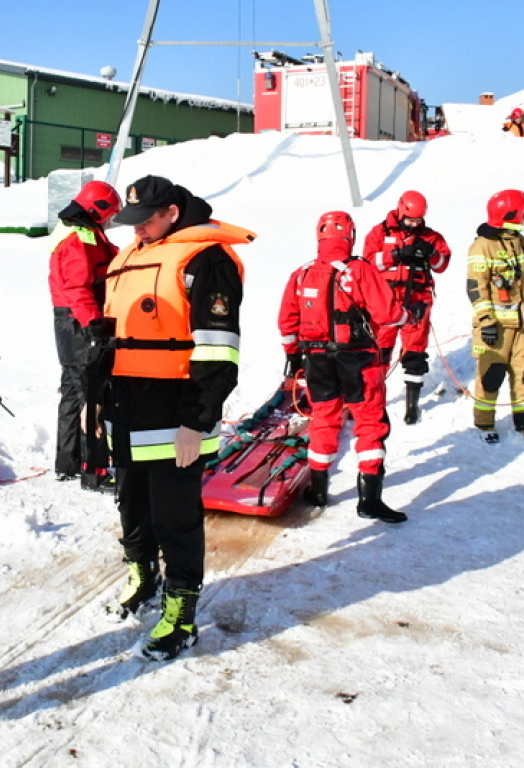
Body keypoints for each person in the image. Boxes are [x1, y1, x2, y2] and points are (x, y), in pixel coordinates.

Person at [99, 175, 250, 661]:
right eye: (132, 220)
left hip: (175, 415)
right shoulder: (129, 256)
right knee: (133, 505)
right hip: (125, 409)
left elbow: (219, 350)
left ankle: (182, 611)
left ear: (173, 213)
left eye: (147, 219)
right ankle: (143, 574)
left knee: (176, 517)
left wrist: (197, 419)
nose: (137, 228)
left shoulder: (206, 259)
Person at [278, 210, 419, 525]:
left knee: (324, 421)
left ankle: (318, 492)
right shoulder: (359, 270)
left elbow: (287, 322)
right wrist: (408, 316)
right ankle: (370, 500)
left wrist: (293, 353)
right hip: (357, 360)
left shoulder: (300, 274)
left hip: (316, 361)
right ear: (350, 236)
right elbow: (388, 314)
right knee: (370, 424)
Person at [48, 180, 121, 492]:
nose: (110, 220)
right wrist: (94, 324)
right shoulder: (79, 239)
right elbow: (77, 287)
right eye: (110, 214)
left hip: (69, 322)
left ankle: (68, 463)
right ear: (98, 210)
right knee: (93, 396)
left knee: (74, 393)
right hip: (79, 322)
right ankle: (95, 471)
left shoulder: (78, 231)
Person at [467, 189, 524, 445]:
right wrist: (486, 321)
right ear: (509, 214)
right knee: (491, 376)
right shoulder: (482, 246)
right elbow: (475, 288)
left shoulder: (519, 242)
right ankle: (484, 422)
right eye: (521, 212)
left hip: (522, 325)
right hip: (496, 328)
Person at [363, 190, 452, 424]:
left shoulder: (431, 236)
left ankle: (412, 407)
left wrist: (431, 253)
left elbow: (443, 264)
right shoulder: (379, 233)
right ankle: (372, 401)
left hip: (417, 302)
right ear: (401, 211)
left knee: (414, 353)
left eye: (418, 220)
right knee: (378, 352)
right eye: (410, 219)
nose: (414, 224)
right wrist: (396, 254)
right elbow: (367, 262)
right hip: (386, 303)